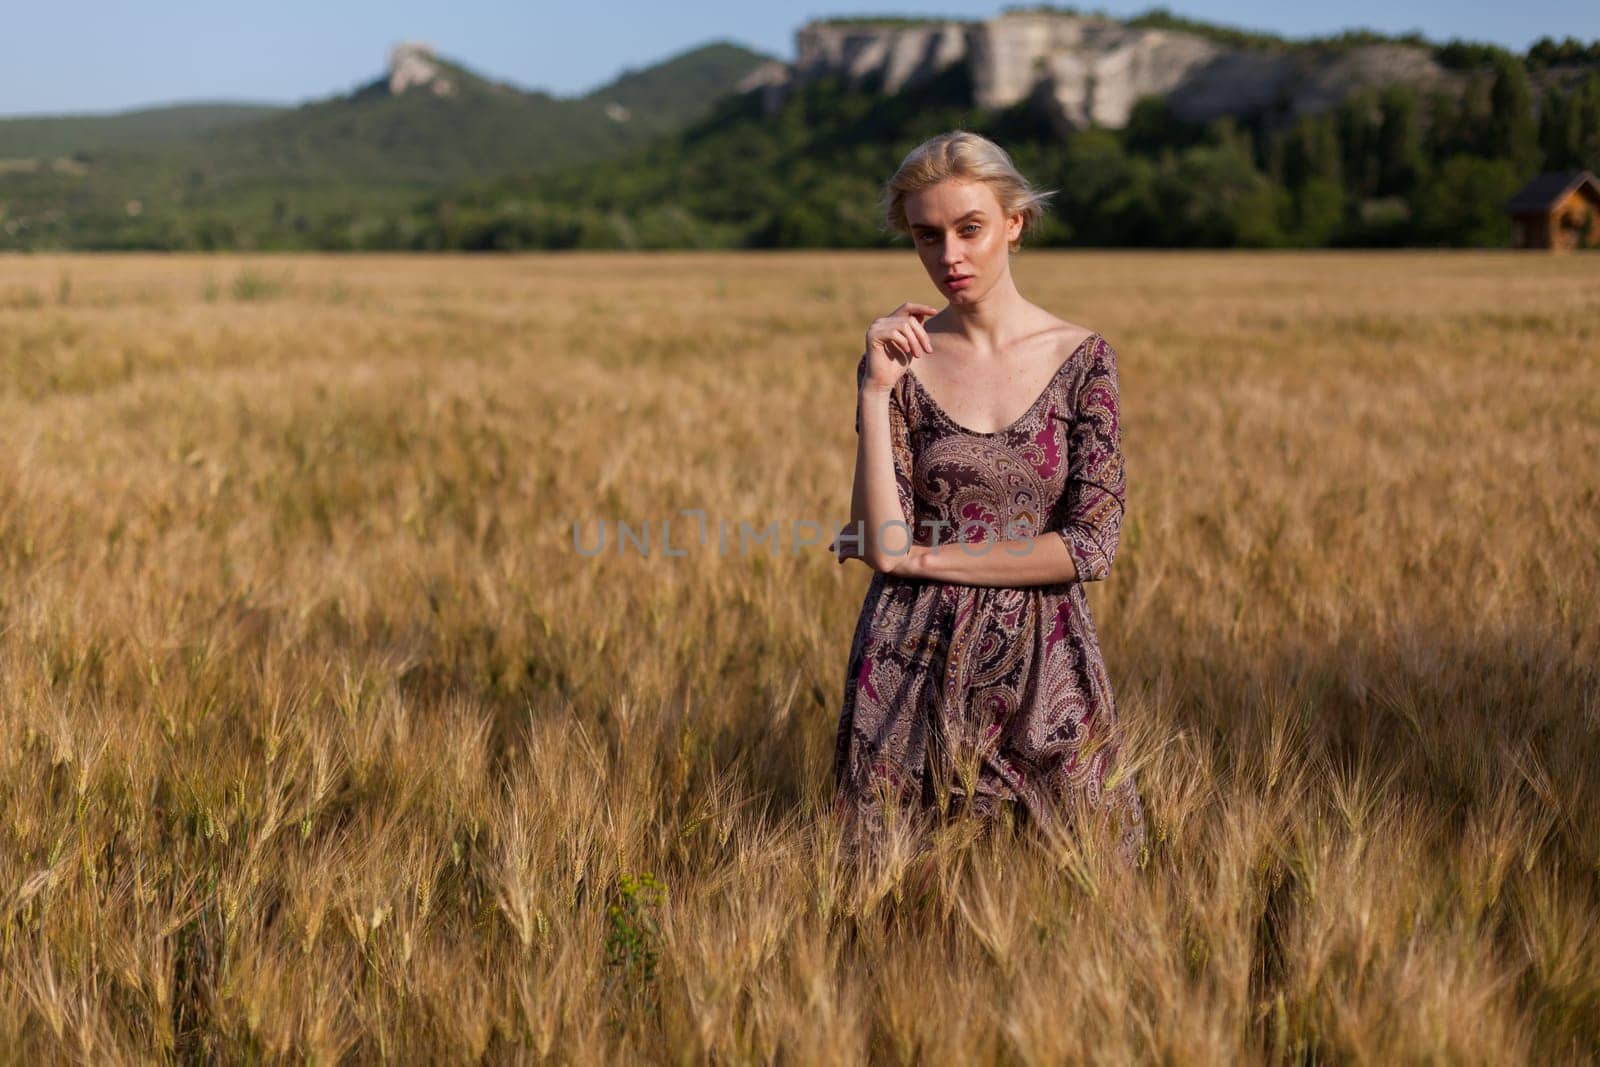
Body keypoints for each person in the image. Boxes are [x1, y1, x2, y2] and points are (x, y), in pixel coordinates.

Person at [828, 130, 1148, 869]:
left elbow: (1089, 545)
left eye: (969, 229)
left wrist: (923, 557)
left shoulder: (1082, 359)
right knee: (898, 902)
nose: (950, 257)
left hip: (1048, 666)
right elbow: (877, 540)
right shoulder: (898, 365)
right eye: (927, 236)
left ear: (1016, 222)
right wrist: (874, 391)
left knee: (1087, 884)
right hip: (908, 664)